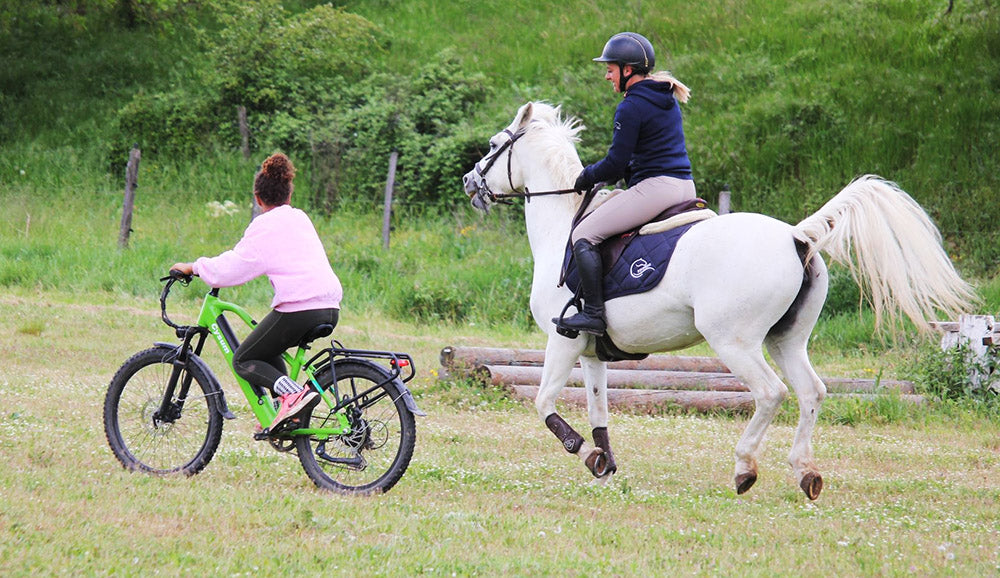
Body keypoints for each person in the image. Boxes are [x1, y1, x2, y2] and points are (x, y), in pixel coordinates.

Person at [171, 152, 342, 432]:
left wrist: (194, 267)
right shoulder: (300, 218)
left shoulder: (265, 226)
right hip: (329, 306)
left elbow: (233, 268)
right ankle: (288, 414)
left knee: (244, 359)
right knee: (265, 347)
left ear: (258, 198)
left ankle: (293, 394)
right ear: (289, 194)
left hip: (300, 308)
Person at [555, 31, 697, 336]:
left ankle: (593, 314)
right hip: (684, 185)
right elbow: (643, 154)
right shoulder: (663, 96)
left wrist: (588, 175)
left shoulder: (631, 106)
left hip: (657, 189)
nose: (607, 76)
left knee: (584, 234)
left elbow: (616, 163)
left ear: (627, 70)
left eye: (610, 69)